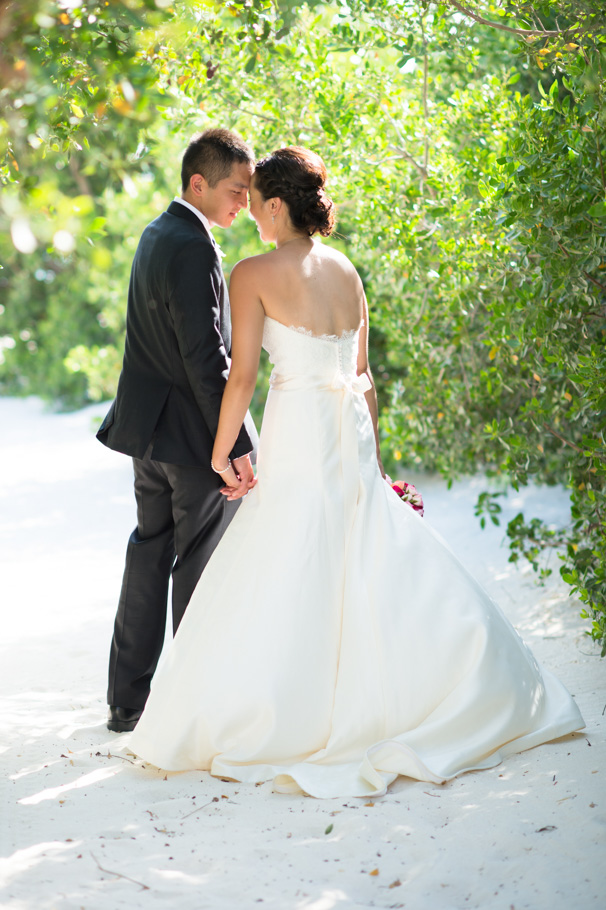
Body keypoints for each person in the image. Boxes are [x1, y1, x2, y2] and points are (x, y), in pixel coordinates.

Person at [127, 147, 584, 798]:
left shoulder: (253, 274)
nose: (249, 210)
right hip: (348, 433)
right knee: (360, 546)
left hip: (301, 428)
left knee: (291, 553)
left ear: (277, 205)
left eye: (255, 200)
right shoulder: (346, 271)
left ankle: (297, 710)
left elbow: (244, 377)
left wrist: (221, 451)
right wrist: (372, 453)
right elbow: (363, 377)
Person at [97, 129, 259, 734]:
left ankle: (126, 702)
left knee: (147, 553)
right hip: (191, 438)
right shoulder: (194, 246)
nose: (243, 203)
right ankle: (188, 705)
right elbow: (207, 356)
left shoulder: (155, 232)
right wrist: (236, 446)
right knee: (195, 562)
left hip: (145, 433)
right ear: (200, 183)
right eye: (236, 191)